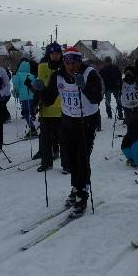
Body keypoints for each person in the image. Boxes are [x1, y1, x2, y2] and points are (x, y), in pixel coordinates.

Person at [37, 47, 103, 215]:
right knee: (70, 159)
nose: (70, 66)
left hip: (86, 121)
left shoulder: (90, 74)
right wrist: (39, 90)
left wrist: (84, 86)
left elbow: (97, 97)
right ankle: (76, 187)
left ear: (79, 62)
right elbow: (48, 100)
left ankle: (82, 194)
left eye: (73, 63)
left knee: (82, 158)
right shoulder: (58, 75)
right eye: (67, 62)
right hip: (67, 121)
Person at [32, 42, 70, 174]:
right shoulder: (42, 66)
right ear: (48, 54)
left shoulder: (65, 66)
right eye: (52, 53)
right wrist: (35, 102)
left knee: (64, 140)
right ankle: (46, 163)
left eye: (57, 53)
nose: (55, 55)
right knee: (45, 140)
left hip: (63, 110)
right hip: (46, 110)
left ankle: (67, 165)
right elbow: (39, 86)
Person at [11, 59, 38, 138]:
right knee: (29, 111)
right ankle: (32, 127)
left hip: (24, 97)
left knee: (25, 113)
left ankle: (32, 129)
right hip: (32, 97)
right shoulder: (31, 75)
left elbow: (16, 86)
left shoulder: (18, 75)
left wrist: (16, 94)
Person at [99, 56, 123, 121]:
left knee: (119, 102)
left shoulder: (115, 68)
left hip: (116, 87)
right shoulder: (102, 70)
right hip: (107, 88)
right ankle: (109, 115)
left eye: (109, 61)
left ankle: (120, 115)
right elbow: (100, 80)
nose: (108, 63)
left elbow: (120, 77)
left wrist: (120, 86)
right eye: (107, 62)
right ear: (105, 62)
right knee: (107, 102)